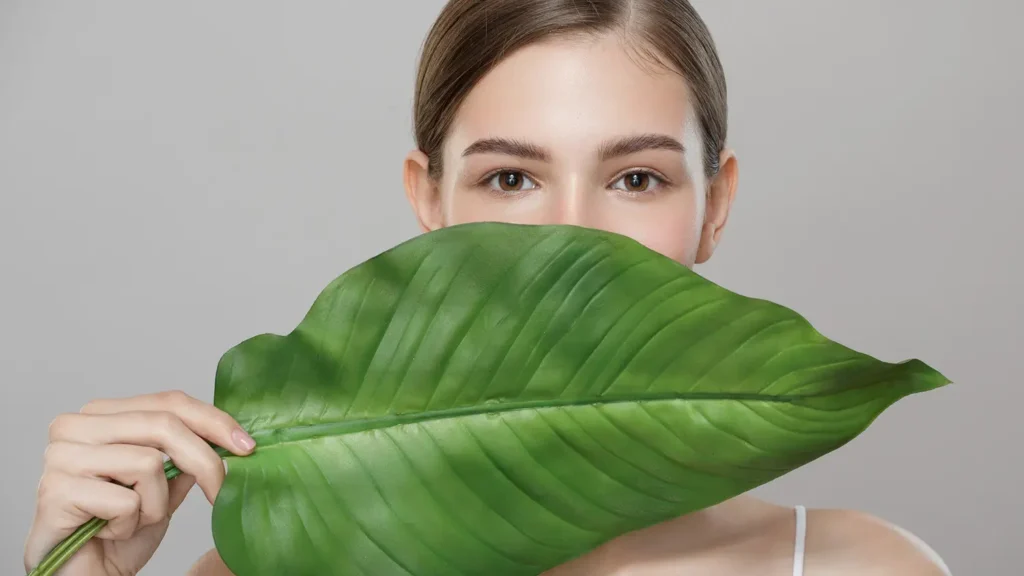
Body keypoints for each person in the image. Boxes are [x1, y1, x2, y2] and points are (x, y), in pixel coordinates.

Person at [23, 1, 953, 575]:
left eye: (636, 179)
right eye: (511, 178)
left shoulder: (859, 568)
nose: (570, 237)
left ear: (717, 207)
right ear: (428, 200)